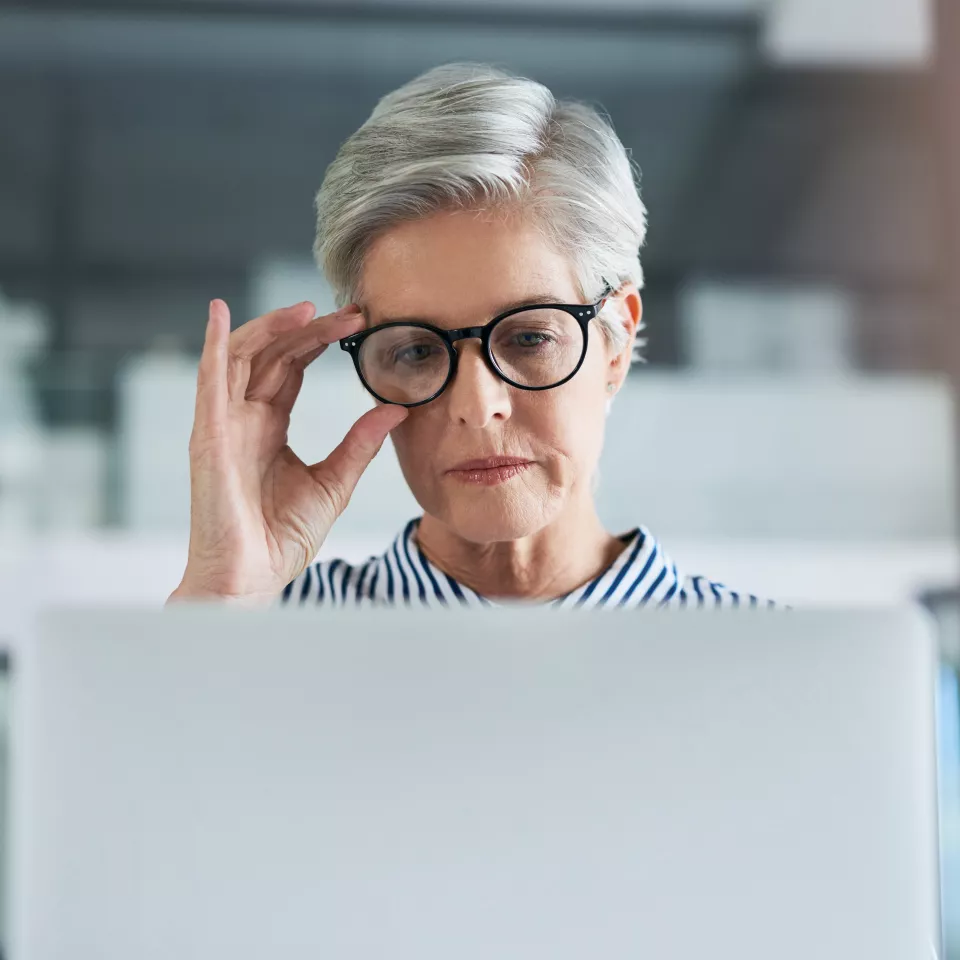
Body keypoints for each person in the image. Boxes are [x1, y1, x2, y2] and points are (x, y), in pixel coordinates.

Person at [167, 62, 769, 611]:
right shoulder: (268, 626)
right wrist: (224, 595)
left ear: (616, 342)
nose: (478, 409)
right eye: (417, 351)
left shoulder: (762, 659)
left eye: (530, 338)